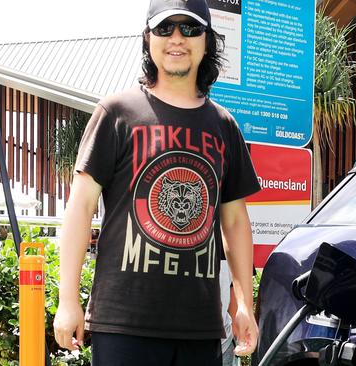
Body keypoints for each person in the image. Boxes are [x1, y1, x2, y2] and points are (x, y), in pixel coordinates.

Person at [52, 0, 261, 364]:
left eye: (190, 28)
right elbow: (80, 207)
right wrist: (67, 298)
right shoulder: (116, 112)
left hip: (200, 329)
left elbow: (235, 221)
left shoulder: (224, 126)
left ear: (207, 40)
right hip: (123, 325)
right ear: (148, 39)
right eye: (165, 28)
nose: (177, 38)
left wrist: (243, 303)